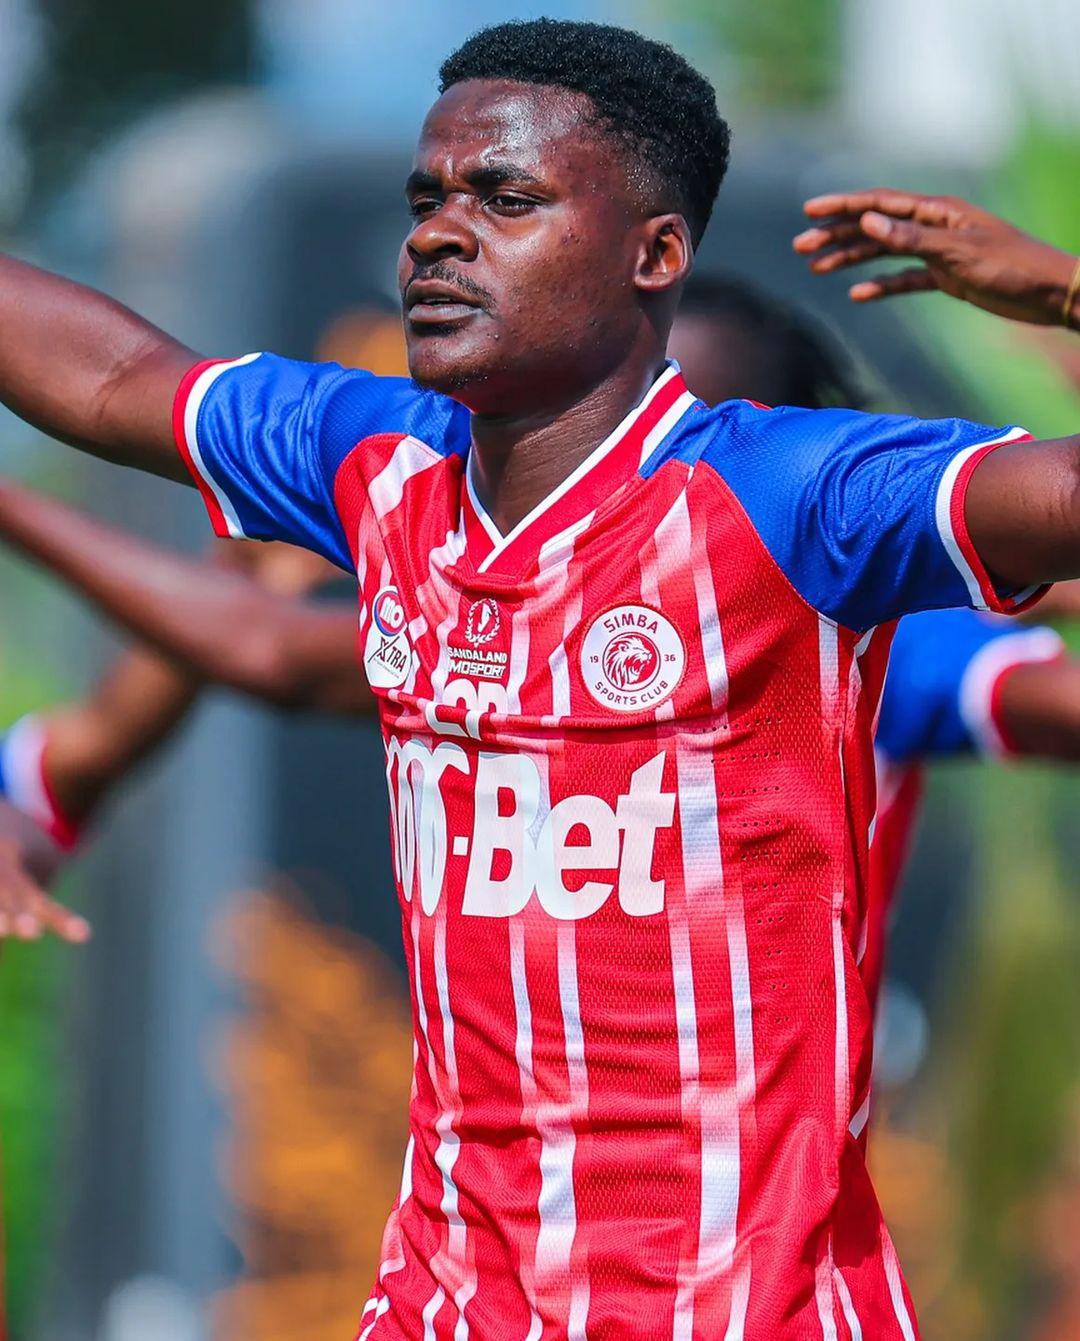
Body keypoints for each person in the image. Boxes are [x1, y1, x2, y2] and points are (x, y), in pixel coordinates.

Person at [2, 15, 1080, 1337]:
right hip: (446, 1306)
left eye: (505, 198)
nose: (439, 236)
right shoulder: (377, 462)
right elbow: (120, 380)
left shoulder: (797, 499)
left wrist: (1070, 294)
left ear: (655, 254)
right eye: (428, 200)